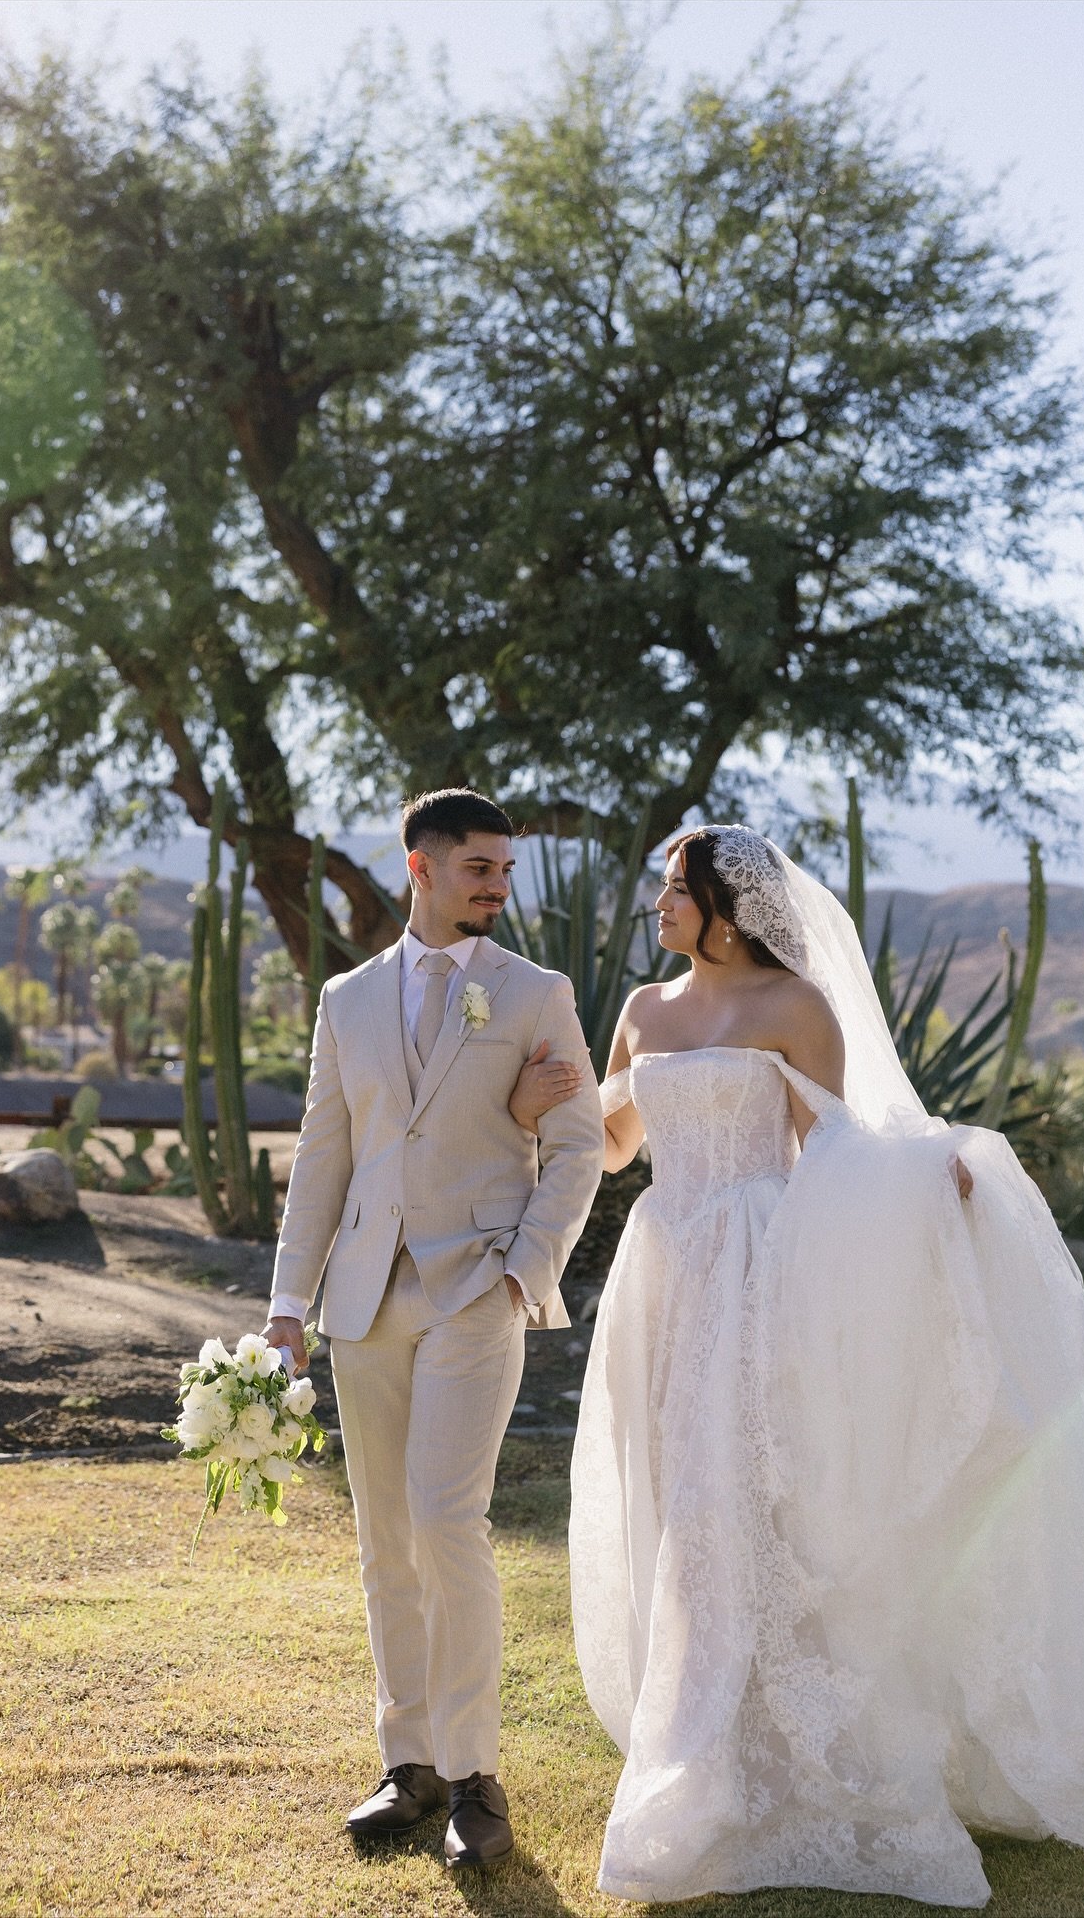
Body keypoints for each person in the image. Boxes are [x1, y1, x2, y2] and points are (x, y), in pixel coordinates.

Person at [514, 823, 1084, 1911]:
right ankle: (704, 1731)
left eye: (674, 888)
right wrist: (555, 1105)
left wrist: (934, 1181)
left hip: (760, 1267)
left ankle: (739, 1753)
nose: (656, 904)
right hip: (662, 1273)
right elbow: (614, 1147)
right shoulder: (643, 1012)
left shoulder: (798, 1010)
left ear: (727, 906)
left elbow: (838, 1145)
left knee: (746, 1495)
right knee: (677, 1494)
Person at [264, 787, 603, 1873]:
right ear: (420, 866)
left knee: (446, 1523)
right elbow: (325, 1156)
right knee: (383, 1540)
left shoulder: (534, 992)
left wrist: (523, 1272)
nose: (498, 888)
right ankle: (405, 1765)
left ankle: (474, 1776)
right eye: (479, 870)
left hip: (475, 1291)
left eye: (506, 872)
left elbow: (583, 1142)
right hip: (363, 1300)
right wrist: (287, 1306)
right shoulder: (347, 999)